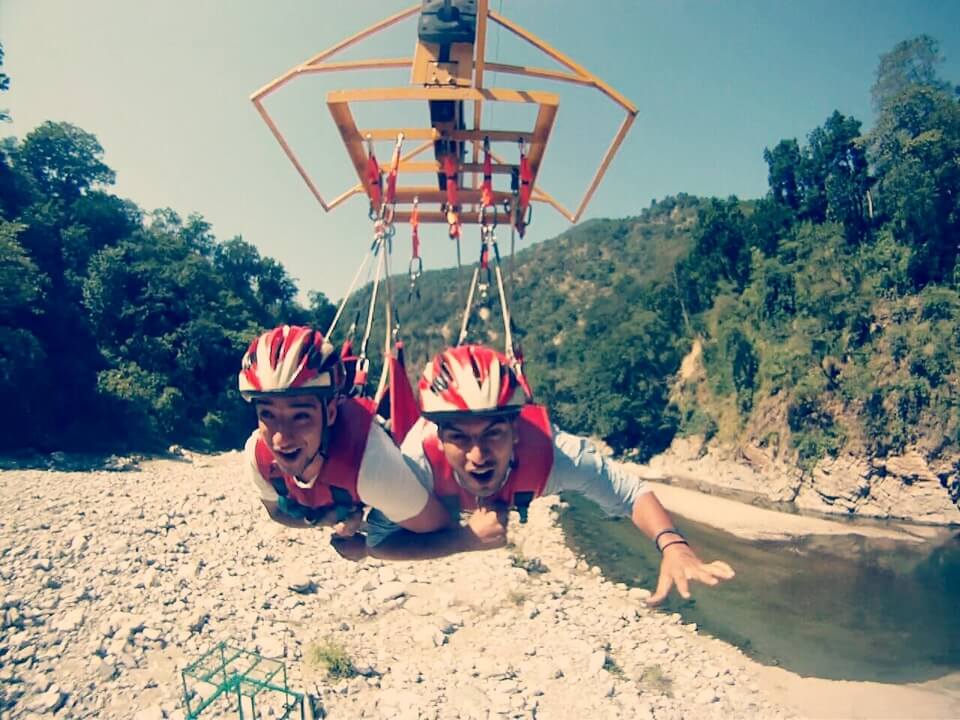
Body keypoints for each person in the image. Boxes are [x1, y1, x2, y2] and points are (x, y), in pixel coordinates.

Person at [367, 344, 735, 604]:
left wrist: (674, 546)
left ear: (515, 429)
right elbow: (377, 544)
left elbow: (630, 492)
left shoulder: (556, 454)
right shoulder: (416, 464)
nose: (478, 455)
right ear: (440, 437)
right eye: (460, 438)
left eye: (493, 434)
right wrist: (465, 540)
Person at [239, 324, 450, 551]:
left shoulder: (372, 465)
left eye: (300, 416)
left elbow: (438, 528)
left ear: (330, 413)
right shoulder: (258, 456)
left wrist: (369, 549)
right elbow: (276, 513)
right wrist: (324, 519)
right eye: (267, 415)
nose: (281, 439)